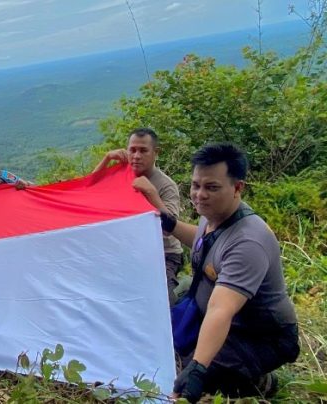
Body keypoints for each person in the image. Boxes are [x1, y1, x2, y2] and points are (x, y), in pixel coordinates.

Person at [160, 143, 299, 402]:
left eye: (211, 187)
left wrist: (198, 367)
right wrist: (172, 225)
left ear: (237, 188)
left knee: (183, 375)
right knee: (162, 334)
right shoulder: (214, 214)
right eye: (195, 185)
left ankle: (258, 382)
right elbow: (204, 240)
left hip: (257, 335)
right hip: (212, 314)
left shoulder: (248, 242)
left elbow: (221, 309)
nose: (200, 195)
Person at [93, 128, 184, 305]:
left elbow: (169, 229)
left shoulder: (166, 186)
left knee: (160, 299)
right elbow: (90, 189)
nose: (136, 156)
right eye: (132, 150)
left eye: (143, 151)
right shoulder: (120, 176)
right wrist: (106, 159)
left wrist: (152, 193)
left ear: (155, 153)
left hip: (164, 253)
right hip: (129, 250)